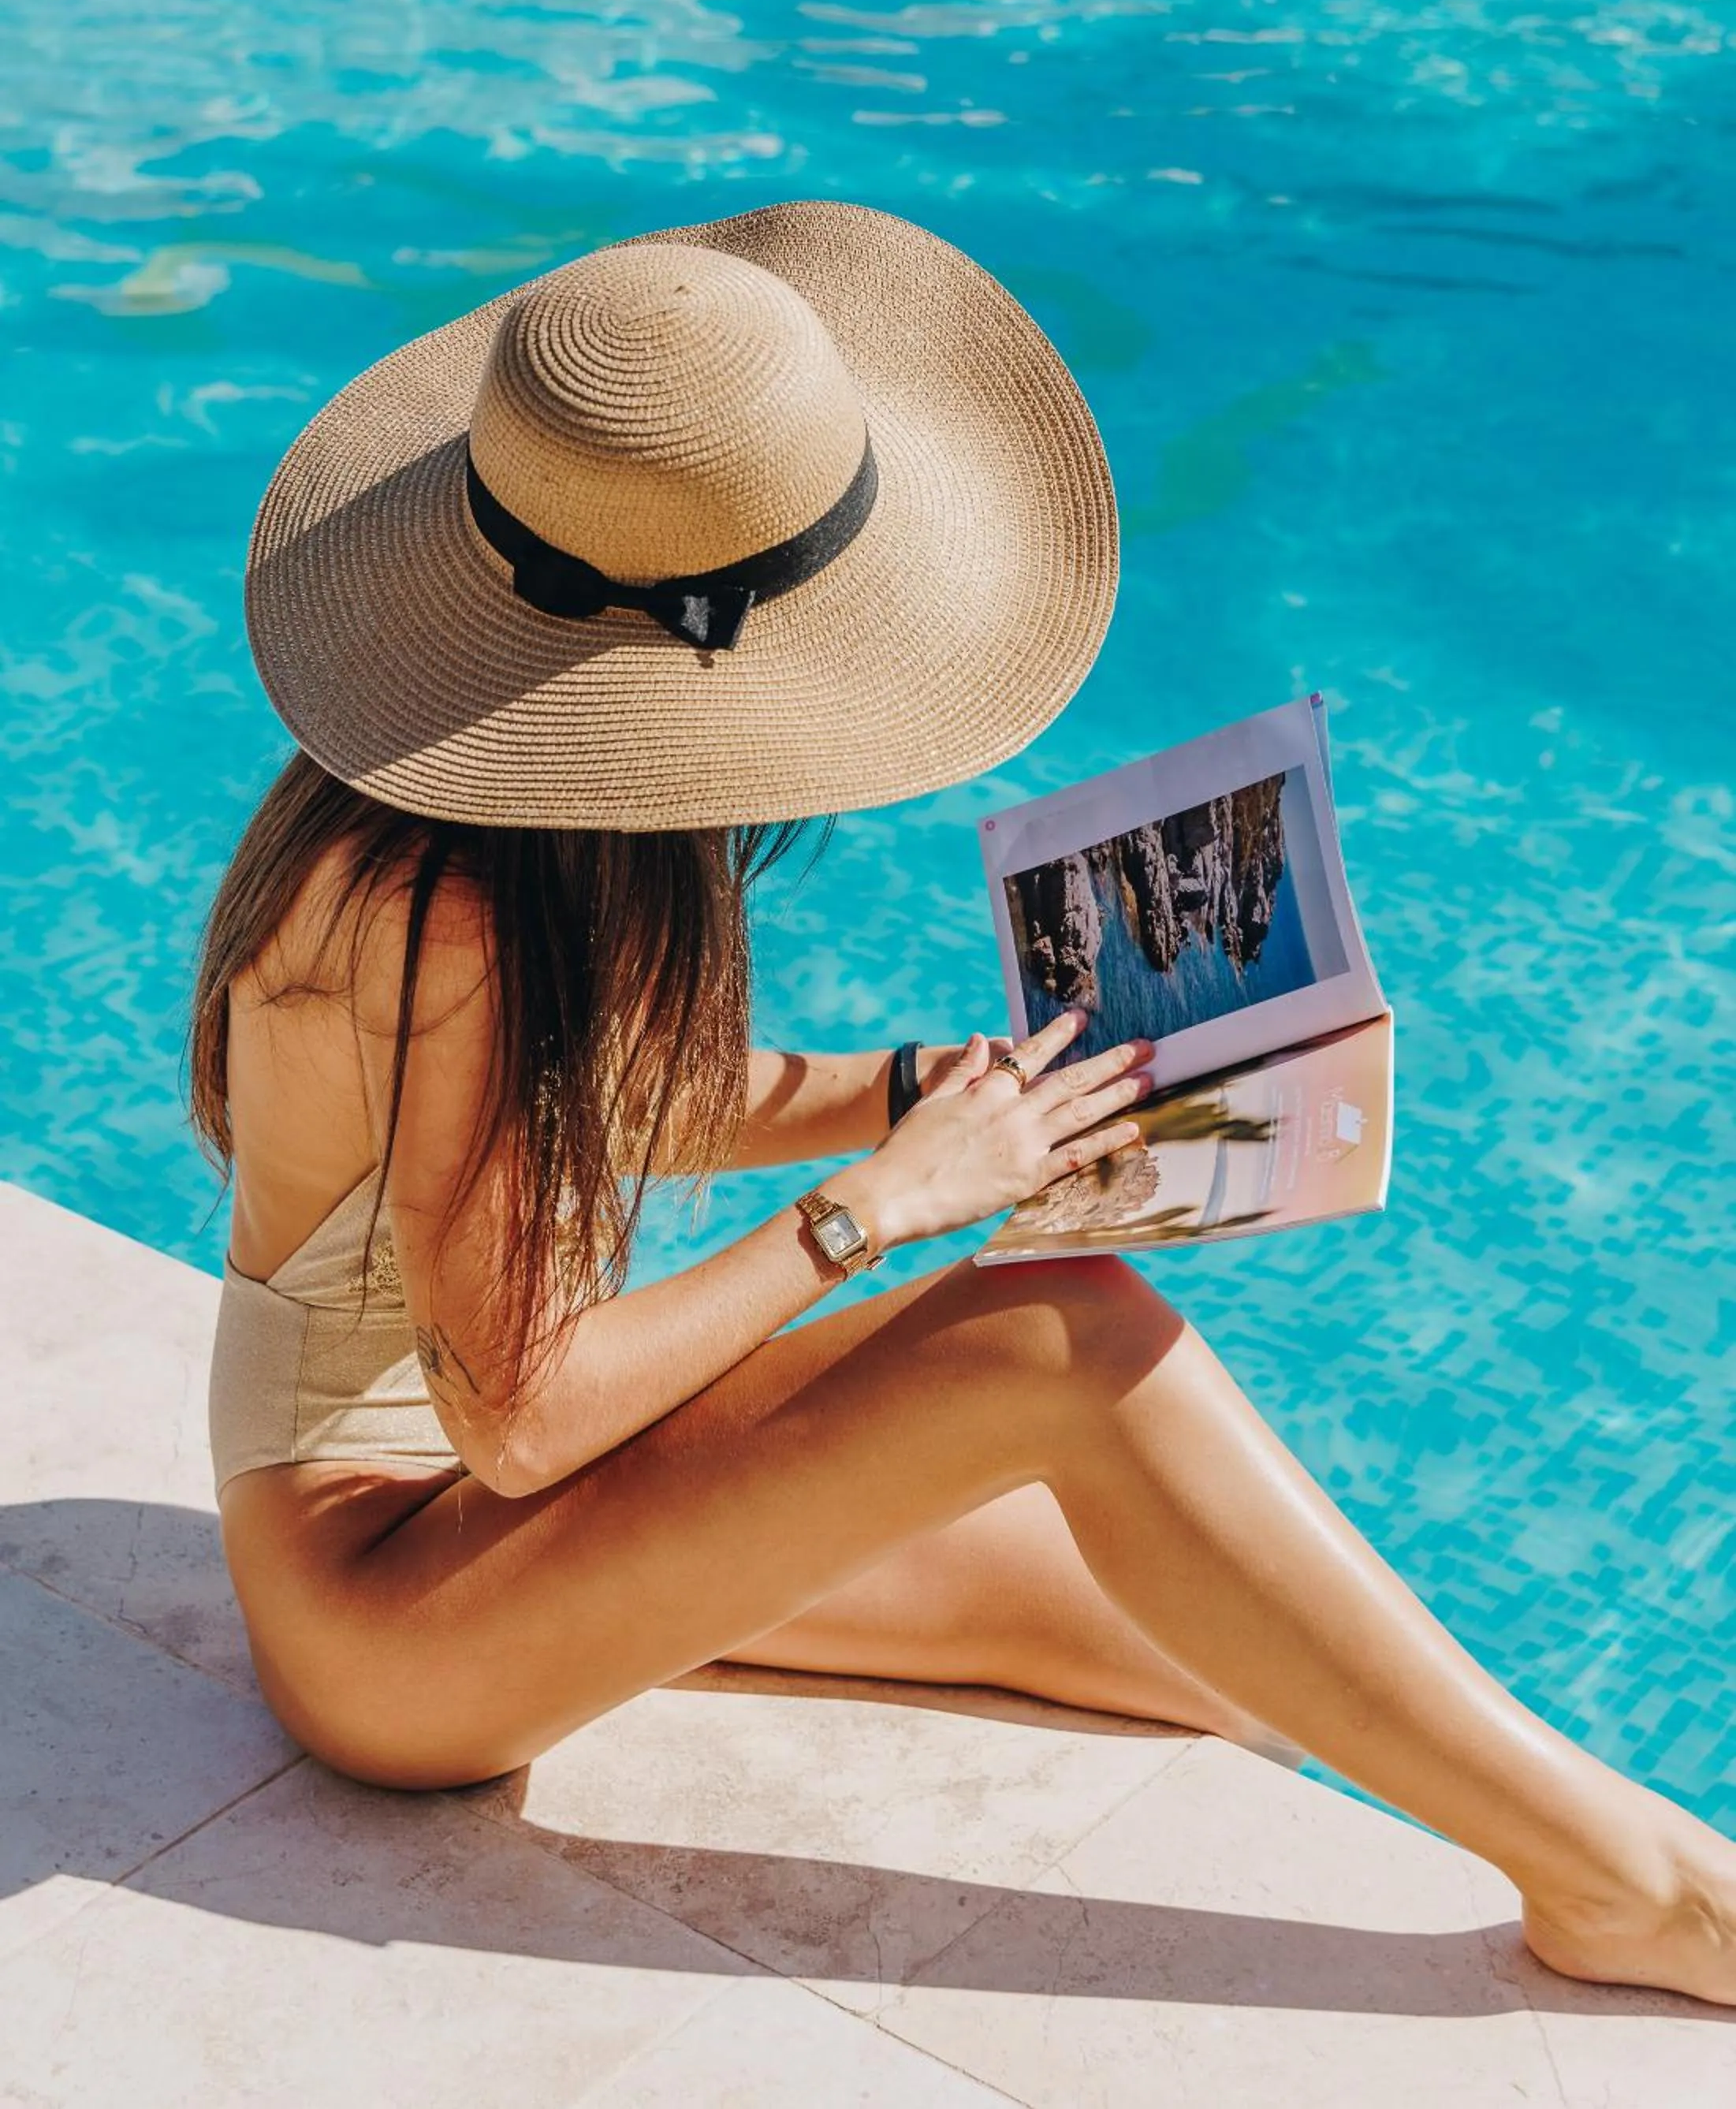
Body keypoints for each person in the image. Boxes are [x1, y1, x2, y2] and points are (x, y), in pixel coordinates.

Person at [195, 199, 1735, 2006]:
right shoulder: (438, 913)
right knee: (1060, 1339)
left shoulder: (486, 833)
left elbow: (613, 1105)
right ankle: (1644, 1887)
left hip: (463, 1523)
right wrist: (888, 1203)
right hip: (383, 1603)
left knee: (1224, 1651)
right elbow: (524, 1421)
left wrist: (928, 1087)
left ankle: (661, 1608)